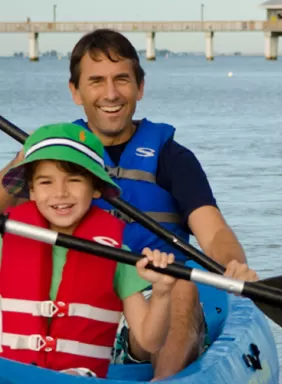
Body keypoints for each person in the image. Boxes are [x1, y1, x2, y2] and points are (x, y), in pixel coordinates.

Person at [62, 28, 257, 379]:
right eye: (96, 81)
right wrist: (24, 159)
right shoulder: (56, 158)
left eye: (122, 79)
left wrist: (233, 265)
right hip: (76, 308)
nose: (110, 93)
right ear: (75, 92)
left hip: (151, 311)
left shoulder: (172, 158)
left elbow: (213, 233)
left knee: (180, 286)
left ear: (140, 87)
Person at [0, 123, 177, 378]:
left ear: (95, 188)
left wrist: (162, 293)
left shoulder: (118, 255)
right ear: (32, 191)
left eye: (74, 180)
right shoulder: (7, 242)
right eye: (46, 182)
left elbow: (150, 341)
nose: (60, 193)